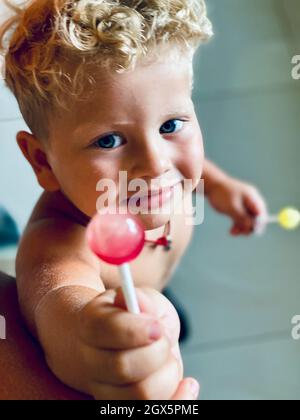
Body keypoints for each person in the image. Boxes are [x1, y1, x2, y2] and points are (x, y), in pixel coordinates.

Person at [0, 0, 267, 400]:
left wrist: (218, 184)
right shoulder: (56, 245)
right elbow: (59, 307)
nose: (156, 164)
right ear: (43, 161)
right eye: (108, 141)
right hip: (122, 310)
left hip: (156, 283)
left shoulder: (152, 176)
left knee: (165, 311)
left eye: (170, 125)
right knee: (146, 330)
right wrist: (96, 342)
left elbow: (180, 163)